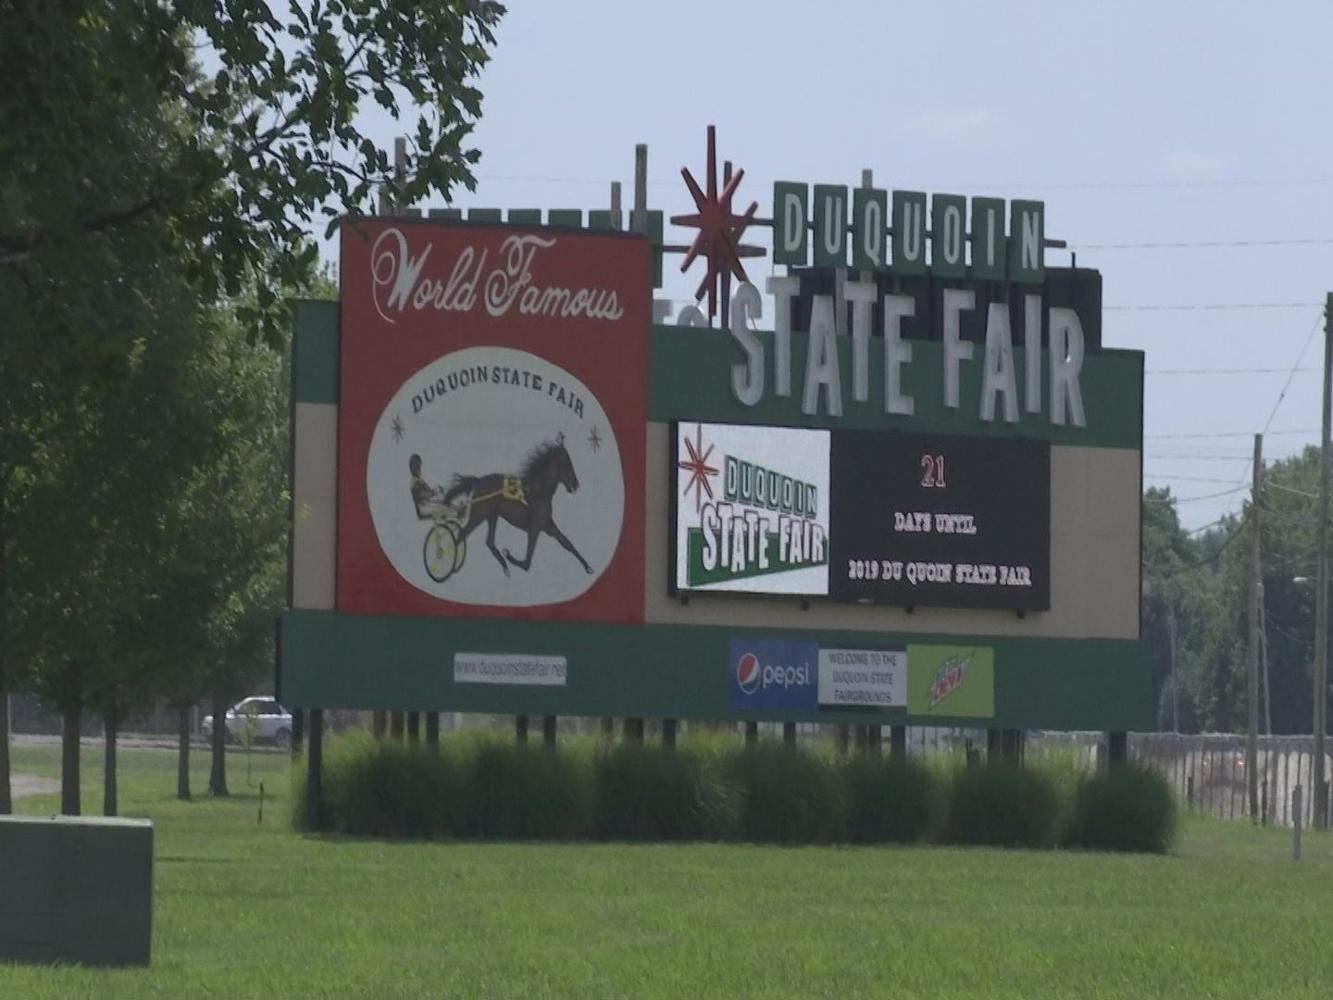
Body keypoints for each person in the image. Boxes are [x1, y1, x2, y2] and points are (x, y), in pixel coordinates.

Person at [409, 453, 442, 518]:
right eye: (417, 467)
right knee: (444, 508)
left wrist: (435, 490)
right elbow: (422, 494)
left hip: (426, 505)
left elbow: (426, 491)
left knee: (443, 504)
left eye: (419, 467)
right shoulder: (415, 482)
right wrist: (433, 492)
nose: (419, 469)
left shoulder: (418, 480)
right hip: (424, 508)